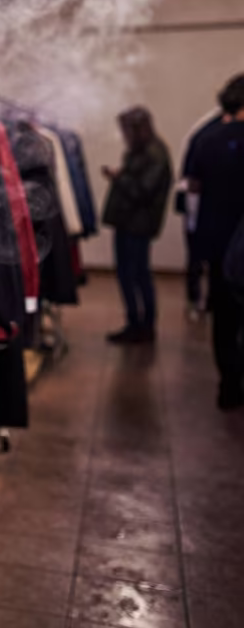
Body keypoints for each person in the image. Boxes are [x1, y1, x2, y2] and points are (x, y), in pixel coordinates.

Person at [189, 74, 244, 409]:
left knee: (223, 317)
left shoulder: (207, 139)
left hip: (218, 244)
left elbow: (193, 190)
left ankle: (228, 385)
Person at [101, 107, 173, 343]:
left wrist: (118, 177)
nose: (123, 135)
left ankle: (141, 326)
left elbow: (143, 191)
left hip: (137, 225)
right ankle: (139, 324)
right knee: (133, 275)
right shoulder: (146, 151)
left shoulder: (154, 154)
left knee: (135, 275)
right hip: (130, 222)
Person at [177, 111, 225, 320]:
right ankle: (206, 301)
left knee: (197, 256)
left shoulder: (205, 133)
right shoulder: (215, 134)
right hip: (206, 206)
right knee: (211, 259)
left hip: (197, 205)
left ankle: (197, 299)